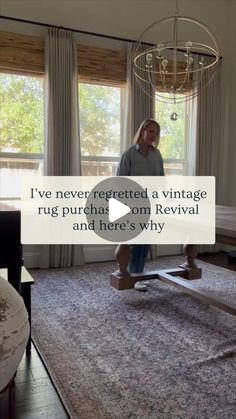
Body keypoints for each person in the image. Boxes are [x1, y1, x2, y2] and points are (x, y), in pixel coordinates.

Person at [116, 118, 165, 291]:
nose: (153, 135)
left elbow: (161, 179)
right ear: (143, 131)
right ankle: (134, 275)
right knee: (135, 241)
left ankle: (137, 271)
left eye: (156, 133)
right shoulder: (128, 154)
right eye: (151, 131)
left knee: (146, 242)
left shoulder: (156, 154)